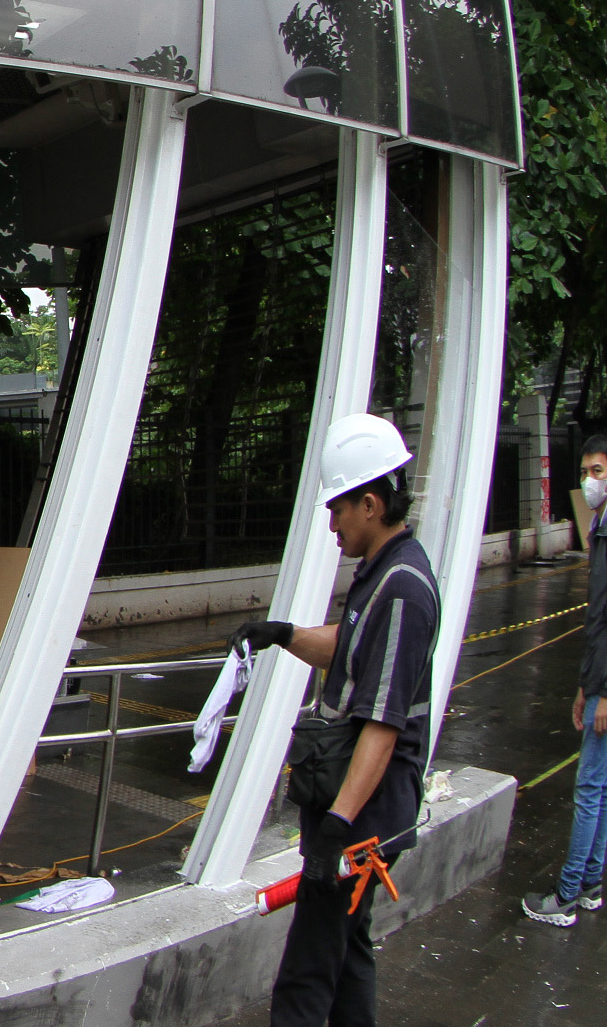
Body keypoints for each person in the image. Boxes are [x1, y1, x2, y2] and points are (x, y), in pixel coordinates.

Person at [228, 413, 439, 1027]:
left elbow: (382, 724)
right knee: (348, 956)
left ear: (370, 504)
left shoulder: (402, 588)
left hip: (361, 821)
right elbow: (346, 649)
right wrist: (284, 634)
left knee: (306, 973)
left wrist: (336, 826)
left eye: (338, 509)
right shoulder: (385, 571)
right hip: (358, 814)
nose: (332, 523)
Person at [524, 433, 607, 924]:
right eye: (586, 472)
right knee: (602, 785)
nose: (589, 480)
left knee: (590, 785)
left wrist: (603, 693)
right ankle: (593, 882)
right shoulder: (599, 526)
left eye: (598, 471)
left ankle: (568, 894)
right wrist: (585, 685)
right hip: (598, 678)